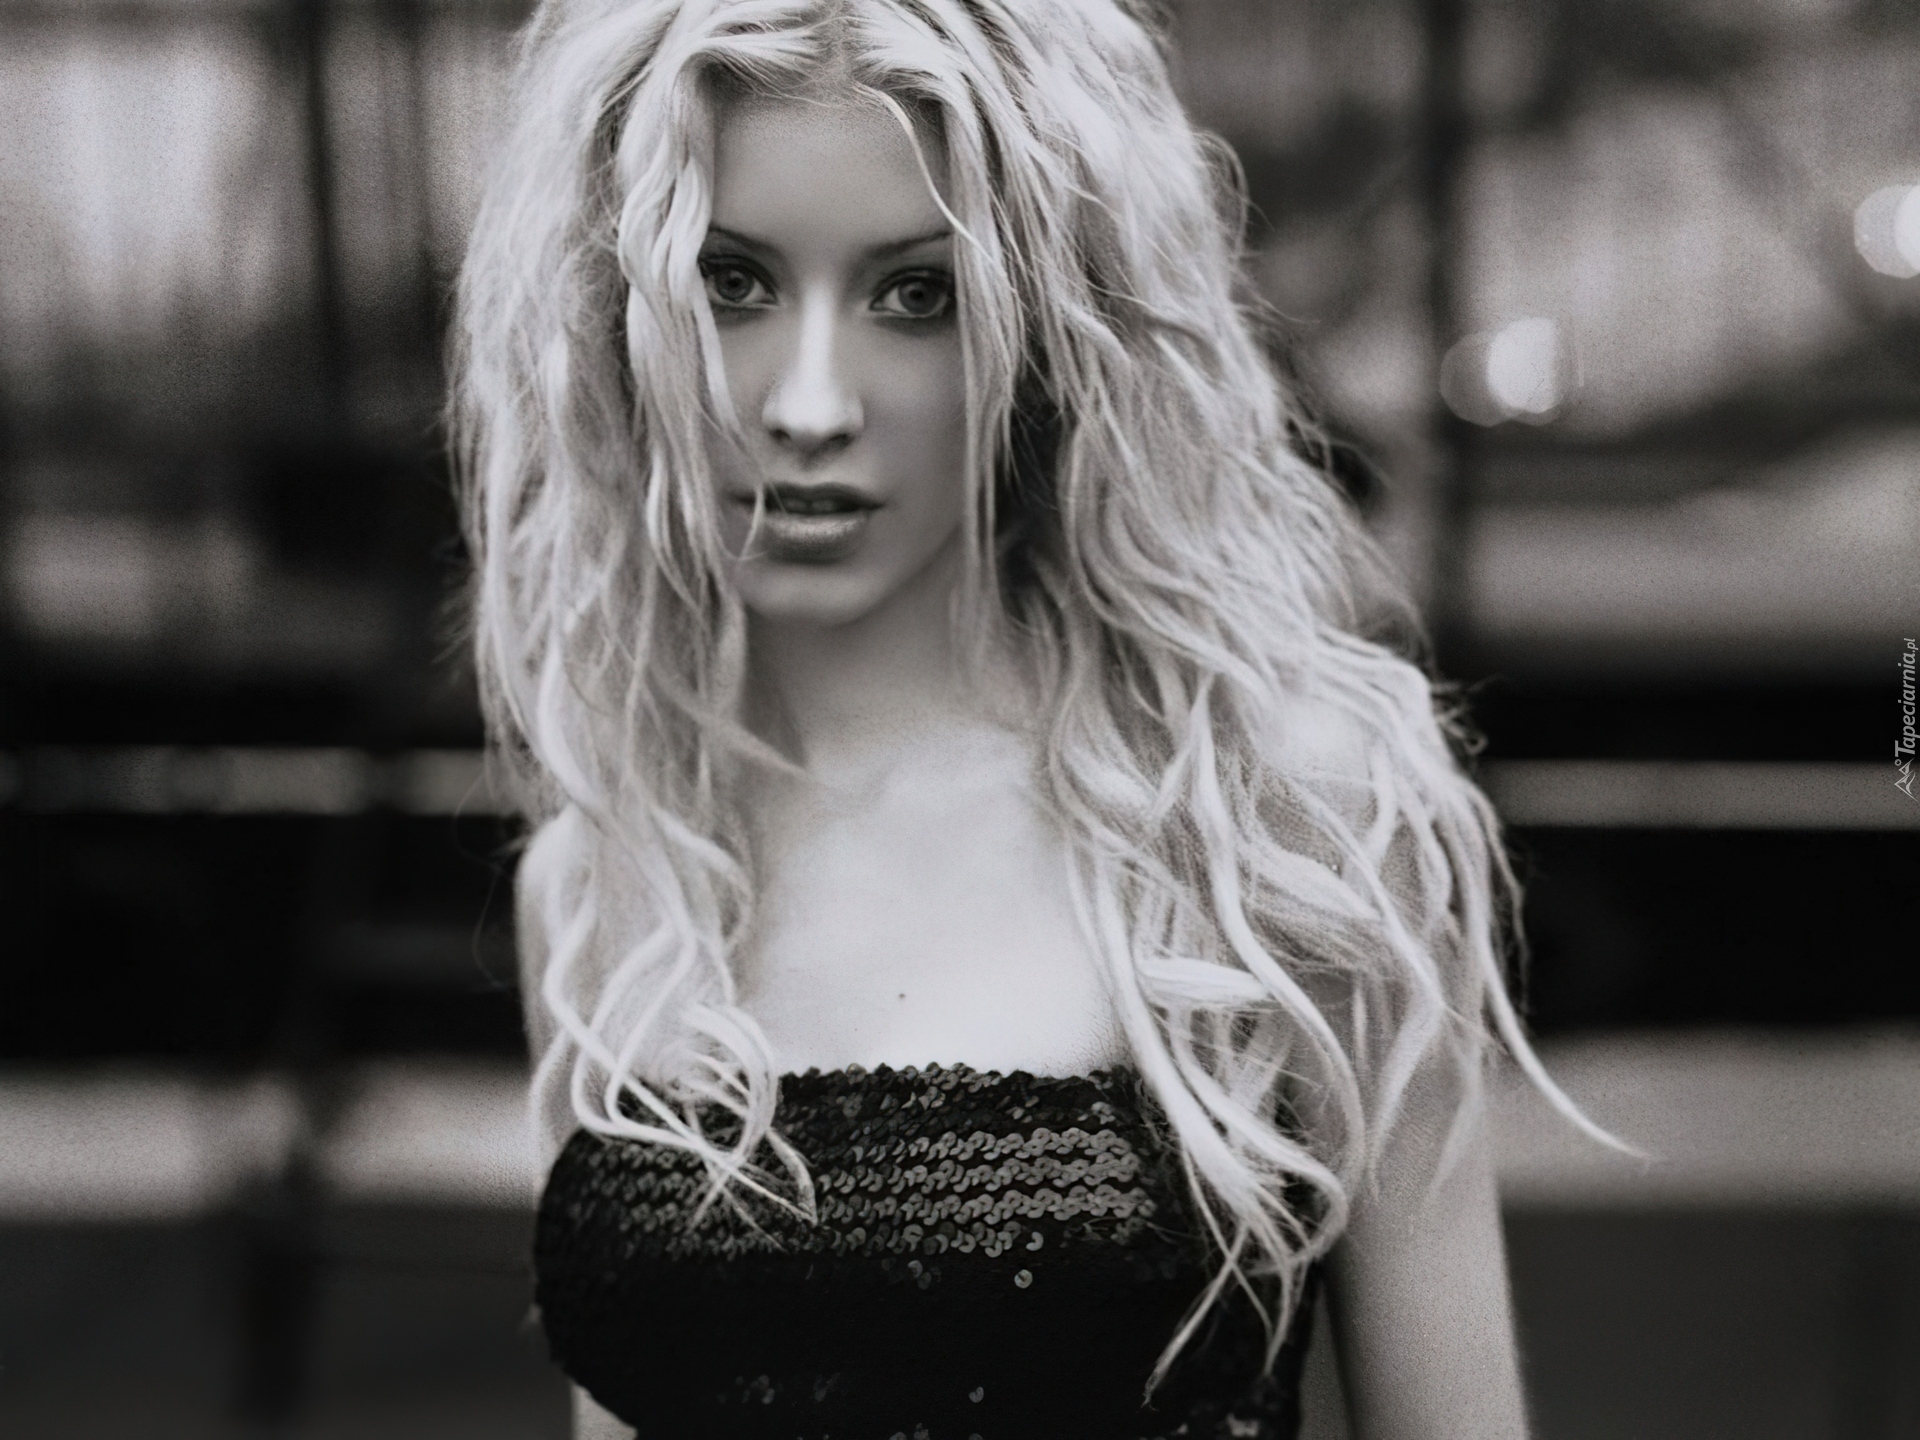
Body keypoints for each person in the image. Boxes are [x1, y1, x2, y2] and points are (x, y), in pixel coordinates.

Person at [453, 1, 1595, 1436]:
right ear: (616, 310)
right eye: (729, 281)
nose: (810, 403)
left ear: (1050, 331)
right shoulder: (609, 870)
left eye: (915, 295)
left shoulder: (1279, 818)